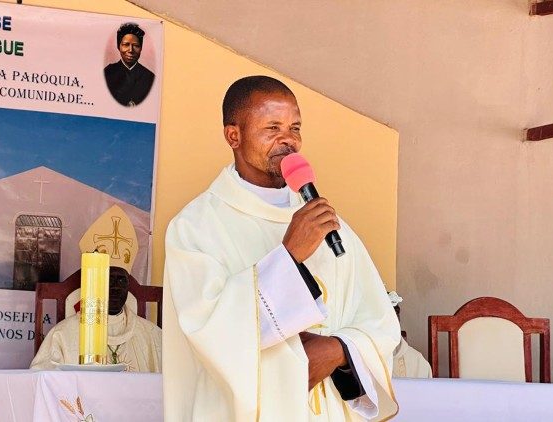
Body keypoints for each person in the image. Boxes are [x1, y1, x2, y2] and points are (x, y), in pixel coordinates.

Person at [162, 75, 401, 421]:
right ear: (234, 135)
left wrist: (338, 350)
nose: (288, 140)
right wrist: (290, 256)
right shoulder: (196, 227)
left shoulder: (326, 221)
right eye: (272, 128)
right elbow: (207, 329)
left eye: (295, 128)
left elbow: (378, 321)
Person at [30, 266, 162, 372]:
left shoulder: (151, 334)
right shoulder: (62, 334)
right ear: (96, 286)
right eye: (109, 281)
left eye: (122, 281)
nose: (116, 288)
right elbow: (43, 377)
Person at [103, 22, 155, 107]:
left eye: (136, 45)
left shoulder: (150, 77)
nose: (131, 50)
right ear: (118, 47)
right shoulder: (108, 73)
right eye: (126, 45)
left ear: (141, 48)